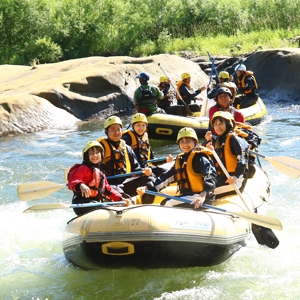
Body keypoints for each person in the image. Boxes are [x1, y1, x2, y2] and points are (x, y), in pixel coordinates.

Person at [137, 127, 217, 209]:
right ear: (178, 144)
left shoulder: (200, 158)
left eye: (188, 141)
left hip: (203, 197)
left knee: (167, 203)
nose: (185, 144)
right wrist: (147, 187)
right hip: (189, 196)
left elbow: (210, 176)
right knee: (164, 201)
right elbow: (165, 177)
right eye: (182, 142)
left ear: (195, 142)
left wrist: (203, 194)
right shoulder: (181, 160)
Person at [97, 115, 155, 203]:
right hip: (110, 185)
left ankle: (145, 204)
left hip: (126, 182)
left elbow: (136, 168)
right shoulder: (101, 149)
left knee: (150, 179)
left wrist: (144, 171)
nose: (116, 132)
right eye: (112, 129)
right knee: (119, 193)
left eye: (118, 129)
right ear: (106, 131)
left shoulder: (127, 148)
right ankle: (124, 202)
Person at [68, 141, 131, 216]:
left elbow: (108, 190)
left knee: (109, 207)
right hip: (82, 204)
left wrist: (121, 199)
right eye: (91, 153)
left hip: (95, 203)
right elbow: (73, 181)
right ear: (86, 156)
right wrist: (81, 185)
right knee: (107, 208)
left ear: (101, 155)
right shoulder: (83, 168)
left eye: (97, 153)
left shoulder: (101, 172)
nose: (95, 155)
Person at [206, 111, 249, 197]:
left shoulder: (235, 139)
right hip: (223, 177)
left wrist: (236, 176)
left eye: (220, 123)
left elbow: (242, 158)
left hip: (235, 180)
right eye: (215, 124)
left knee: (204, 193)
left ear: (228, 124)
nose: (218, 127)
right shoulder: (219, 140)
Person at [122, 113, 173, 177]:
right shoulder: (127, 138)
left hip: (147, 167)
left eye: (143, 125)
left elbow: (153, 159)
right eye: (138, 125)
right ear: (133, 126)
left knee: (166, 172)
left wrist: (166, 160)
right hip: (136, 170)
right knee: (152, 176)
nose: (141, 128)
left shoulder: (145, 137)